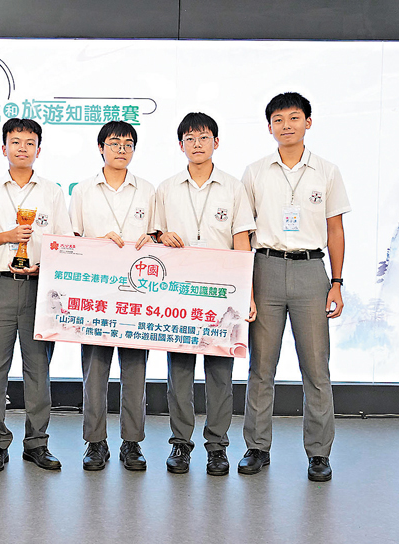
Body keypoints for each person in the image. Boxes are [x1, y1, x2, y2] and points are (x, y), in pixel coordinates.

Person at [239, 92, 350, 482]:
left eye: (294, 117)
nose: (286, 125)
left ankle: (319, 453)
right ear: (269, 126)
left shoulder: (327, 171)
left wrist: (336, 283)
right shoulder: (255, 172)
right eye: (278, 120)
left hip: (311, 271)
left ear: (308, 122)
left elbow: (335, 230)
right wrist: (245, 287)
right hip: (265, 269)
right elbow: (243, 231)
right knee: (261, 367)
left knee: (316, 368)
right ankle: (257, 447)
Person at [154, 112, 256, 476]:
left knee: (220, 373)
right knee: (179, 374)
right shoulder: (166, 188)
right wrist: (160, 236)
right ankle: (181, 444)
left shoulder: (233, 187)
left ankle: (217, 447)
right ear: (180, 145)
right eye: (190, 139)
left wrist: (248, 294)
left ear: (216, 142)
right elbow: (153, 236)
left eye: (204, 138)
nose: (197, 145)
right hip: (179, 293)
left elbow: (242, 241)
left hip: (222, 293)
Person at [0, 119, 72, 472]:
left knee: (38, 369)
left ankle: (37, 443)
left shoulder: (52, 192)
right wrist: (9, 236)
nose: (22, 148)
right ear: (4, 148)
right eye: (15, 142)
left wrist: (45, 268)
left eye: (29, 142)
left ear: (38, 150)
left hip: (39, 287)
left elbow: (64, 241)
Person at [69, 121, 156, 471]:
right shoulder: (83, 190)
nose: (122, 149)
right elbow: (72, 241)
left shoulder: (148, 190)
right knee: (95, 370)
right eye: (115, 143)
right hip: (96, 293)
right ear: (100, 147)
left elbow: (158, 236)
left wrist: (155, 238)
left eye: (128, 143)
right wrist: (97, 244)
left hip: (138, 294)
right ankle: (95, 442)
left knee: (135, 370)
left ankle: (132, 443)